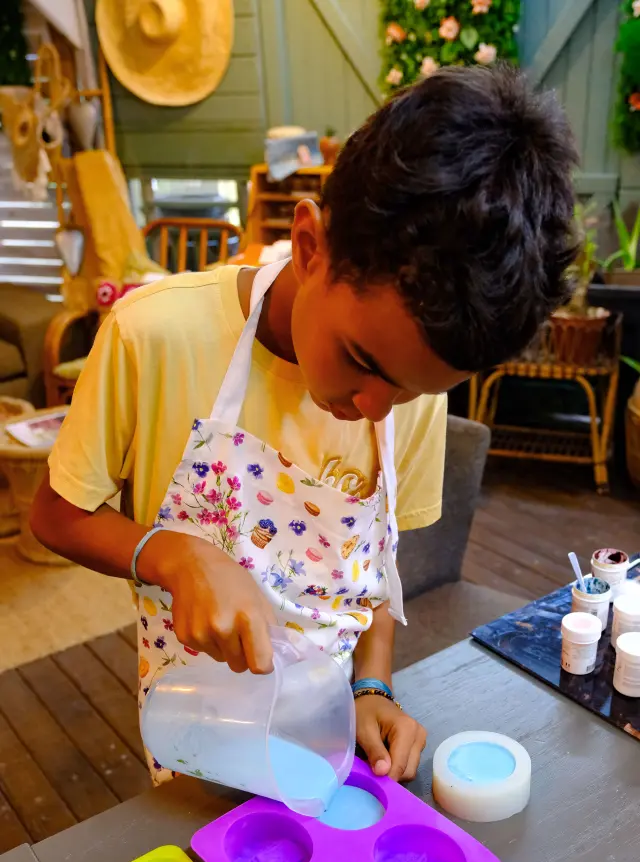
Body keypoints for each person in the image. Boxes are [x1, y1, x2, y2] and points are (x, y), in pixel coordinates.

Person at [31, 65, 578, 786]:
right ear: (311, 245)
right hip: (197, 730)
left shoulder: (410, 390)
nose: (376, 408)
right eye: (361, 361)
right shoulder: (155, 335)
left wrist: (372, 686)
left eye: (411, 392)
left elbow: (378, 568)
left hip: (328, 737)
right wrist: (173, 555)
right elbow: (54, 515)